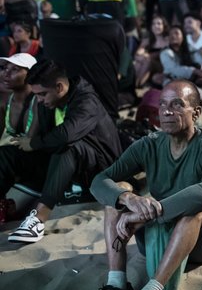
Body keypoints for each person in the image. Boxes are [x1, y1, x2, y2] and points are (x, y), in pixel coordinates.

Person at [76, 80, 202, 290]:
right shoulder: (149, 144)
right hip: (161, 237)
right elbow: (99, 181)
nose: (167, 111)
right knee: (119, 191)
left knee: (197, 207)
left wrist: (142, 215)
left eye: (177, 104)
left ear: (196, 112)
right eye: (163, 105)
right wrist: (128, 199)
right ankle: (116, 288)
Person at [2, 59, 121, 243]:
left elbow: (66, 135)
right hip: (60, 165)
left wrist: (33, 144)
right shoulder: (47, 102)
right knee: (8, 153)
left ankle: (38, 219)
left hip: (98, 170)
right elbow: (45, 139)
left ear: (59, 87)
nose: (39, 100)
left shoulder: (86, 100)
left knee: (67, 146)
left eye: (42, 95)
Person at [0, 53, 40, 142]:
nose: (6, 73)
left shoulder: (39, 101)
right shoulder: (4, 102)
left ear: (31, 74)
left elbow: (30, 141)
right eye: (5, 68)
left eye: (15, 69)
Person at [160, 26, 202, 93]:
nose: (173, 36)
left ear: (183, 36)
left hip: (194, 82)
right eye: (170, 34)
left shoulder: (191, 50)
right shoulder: (165, 53)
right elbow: (172, 69)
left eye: (176, 33)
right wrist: (194, 71)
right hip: (173, 82)